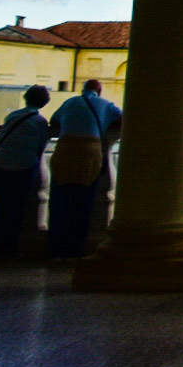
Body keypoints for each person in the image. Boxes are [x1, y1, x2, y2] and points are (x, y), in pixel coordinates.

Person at [46, 79, 123, 260]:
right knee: (83, 201)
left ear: (83, 89)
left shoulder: (70, 102)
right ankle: (74, 248)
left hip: (65, 148)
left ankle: (55, 248)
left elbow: (54, 120)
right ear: (100, 91)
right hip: (89, 149)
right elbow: (122, 118)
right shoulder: (106, 104)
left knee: (59, 200)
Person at [0, 85, 52, 259]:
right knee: (16, 210)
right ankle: (10, 249)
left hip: (1, 162)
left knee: (0, 208)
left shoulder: (12, 116)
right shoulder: (40, 121)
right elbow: (40, 147)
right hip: (24, 165)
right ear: (44, 102)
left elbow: (1, 138)